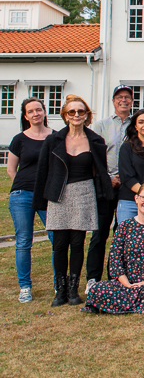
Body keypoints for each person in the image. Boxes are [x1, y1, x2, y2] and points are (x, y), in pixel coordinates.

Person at [33, 95, 114, 307]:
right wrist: (40, 202)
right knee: (59, 244)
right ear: (65, 116)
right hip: (59, 194)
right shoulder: (53, 140)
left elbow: (101, 171)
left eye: (81, 111)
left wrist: (105, 195)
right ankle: (60, 290)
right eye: (72, 112)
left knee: (78, 243)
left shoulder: (96, 140)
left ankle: (73, 289)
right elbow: (43, 171)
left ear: (87, 114)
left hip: (85, 193)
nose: (77, 115)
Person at [81, 182, 144, 314]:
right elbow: (115, 259)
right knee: (97, 288)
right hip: (126, 284)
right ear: (136, 199)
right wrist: (127, 284)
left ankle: (123, 303)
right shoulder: (124, 226)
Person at [86, 85, 132, 292]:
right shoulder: (101, 125)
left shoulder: (137, 124)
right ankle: (93, 278)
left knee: (122, 233)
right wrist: (108, 177)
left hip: (128, 185)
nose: (124, 101)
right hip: (105, 185)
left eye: (127, 98)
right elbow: (93, 156)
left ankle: (116, 275)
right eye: (120, 97)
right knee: (99, 232)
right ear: (113, 101)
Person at [7, 97, 54, 303]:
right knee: (24, 241)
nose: (35, 114)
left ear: (44, 112)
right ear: (26, 116)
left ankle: (58, 283)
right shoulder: (19, 139)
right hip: (22, 195)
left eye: (39, 109)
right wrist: (24, 186)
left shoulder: (56, 137)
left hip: (48, 195)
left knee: (56, 239)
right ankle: (25, 287)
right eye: (31, 111)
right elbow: (11, 169)